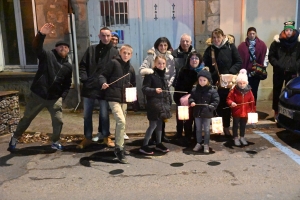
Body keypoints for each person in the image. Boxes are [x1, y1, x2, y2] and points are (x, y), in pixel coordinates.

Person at [8, 23, 72, 151]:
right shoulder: (47, 56)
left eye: (65, 47)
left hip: (54, 99)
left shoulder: (68, 66)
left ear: (68, 50)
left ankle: (55, 141)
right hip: (38, 95)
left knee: (58, 120)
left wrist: (62, 97)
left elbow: (67, 83)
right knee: (27, 118)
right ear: (56, 48)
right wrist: (41, 34)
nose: (63, 49)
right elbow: (37, 48)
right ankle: (15, 138)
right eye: (60, 47)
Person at [77, 27, 119, 149]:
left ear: (111, 37)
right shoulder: (91, 49)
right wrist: (84, 79)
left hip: (104, 88)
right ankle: (87, 137)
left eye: (108, 36)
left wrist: (110, 84)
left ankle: (106, 136)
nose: (106, 38)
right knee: (87, 114)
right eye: (103, 35)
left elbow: (116, 70)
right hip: (89, 87)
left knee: (105, 114)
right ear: (99, 36)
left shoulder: (114, 52)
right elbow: (83, 65)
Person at [100, 44, 136, 164]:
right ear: (120, 53)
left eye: (128, 53)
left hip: (124, 98)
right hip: (113, 97)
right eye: (124, 52)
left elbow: (133, 84)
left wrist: (133, 98)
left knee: (121, 124)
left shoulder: (130, 68)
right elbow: (103, 75)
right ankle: (119, 149)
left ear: (131, 55)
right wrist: (104, 83)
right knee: (121, 121)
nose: (126, 55)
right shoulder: (113, 63)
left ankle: (119, 146)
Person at [203, 28, 242, 137]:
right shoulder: (210, 49)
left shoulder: (230, 47)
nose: (216, 40)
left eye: (218, 37)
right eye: (214, 37)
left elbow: (239, 61)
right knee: (216, 106)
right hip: (215, 83)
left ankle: (226, 128)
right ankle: (217, 129)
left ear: (223, 37)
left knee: (226, 106)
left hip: (228, 84)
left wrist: (230, 73)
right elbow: (206, 65)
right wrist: (212, 77)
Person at [139, 37, 176, 143]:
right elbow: (142, 69)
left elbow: (173, 73)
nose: (163, 47)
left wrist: (167, 84)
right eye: (161, 45)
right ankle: (152, 139)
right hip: (154, 89)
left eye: (165, 45)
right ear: (157, 46)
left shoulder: (170, 57)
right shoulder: (151, 56)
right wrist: (152, 73)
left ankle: (161, 136)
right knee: (155, 117)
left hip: (165, 88)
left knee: (163, 115)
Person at [139, 56, 172, 154]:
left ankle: (159, 143)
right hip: (153, 105)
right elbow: (144, 89)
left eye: (163, 63)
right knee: (153, 125)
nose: (161, 65)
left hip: (162, 105)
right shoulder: (150, 75)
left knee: (160, 124)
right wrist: (154, 90)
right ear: (155, 64)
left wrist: (169, 102)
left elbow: (167, 91)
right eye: (159, 63)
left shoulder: (164, 76)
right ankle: (144, 145)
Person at [268, 21, 300, 120]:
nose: (289, 32)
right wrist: (277, 65)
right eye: (287, 30)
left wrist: (296, 65)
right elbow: (271, 56)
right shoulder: (277, 43)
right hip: (279, 71)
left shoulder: (298, 43)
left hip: (292, 72)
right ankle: (276, 112)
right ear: (284, 31)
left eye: (290, 30)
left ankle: (289, 113)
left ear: (293, 30)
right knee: (277, 92)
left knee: (291, 93)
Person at [173, 52, 203, 146]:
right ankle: (187, 137)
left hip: (198, 100)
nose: (194, 60)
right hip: (184, 100)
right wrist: (179, 98)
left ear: (200, 60)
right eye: (192, 58)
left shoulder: (203, 72)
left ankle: (196, 137)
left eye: (196, 58)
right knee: (187, 120)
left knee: (197, 120)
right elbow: (178, 86)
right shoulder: (184, 70)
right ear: (189, 60)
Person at [189, 68, 219, 153]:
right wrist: (192, 102)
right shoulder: (195, 89)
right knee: (198, 129)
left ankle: (206, 144)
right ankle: (199, 143)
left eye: (204, 80)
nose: (202, 82)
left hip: (207, 113)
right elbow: (191, 97)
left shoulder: (212, 90)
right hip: (197, 113)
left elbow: (216, 100)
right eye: (200, 80)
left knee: (206, 130)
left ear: (208, 81)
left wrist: (212, 106)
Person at [172, 33, 196, 138]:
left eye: (187, 41)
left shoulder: (195, 55)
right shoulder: (173, 54)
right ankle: (179, 133)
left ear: (191, 42)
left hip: (191, 89)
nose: (185, 43)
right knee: (180, 112)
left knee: (190, 113)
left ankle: (189, 133)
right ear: (180, 42)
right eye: (183, 41)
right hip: (179, 87)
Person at [238, 27, 268, 103]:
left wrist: (264, 65)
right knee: (244, 90)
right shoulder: (242, 46)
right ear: (247, 34)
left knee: (254, 90)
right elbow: (239, 58)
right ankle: (245, 107)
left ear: (256, 34)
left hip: (256, 72)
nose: (252, 35)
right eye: (250, 33)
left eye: (253, 33)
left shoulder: (262, 45)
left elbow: (266, 55)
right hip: (245, 72)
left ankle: (253, 107)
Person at [226, 69, 256, 146]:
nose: (242, 85)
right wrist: (231, 103)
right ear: (237, 83)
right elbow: (229, 99)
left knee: (243, 125)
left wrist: (252, 111)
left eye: (243, 83)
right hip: (236, 111)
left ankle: (242, 137)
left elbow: (252, 101)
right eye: (240, 83)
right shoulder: (234, 90)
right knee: (235, 125)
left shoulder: (249, 91)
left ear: (246, 83)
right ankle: (235, 137)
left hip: (245, 112)